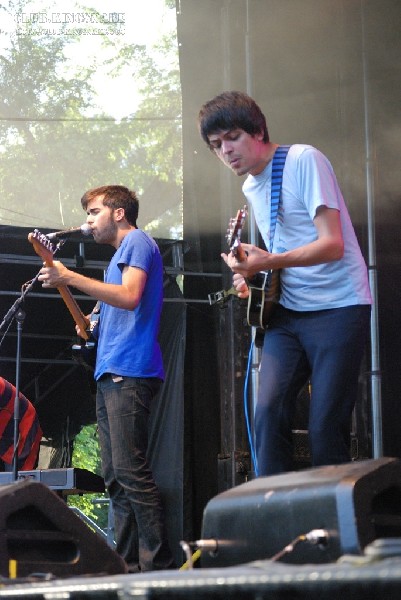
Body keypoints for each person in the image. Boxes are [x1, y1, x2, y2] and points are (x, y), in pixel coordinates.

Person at [198, 91, 372, 476]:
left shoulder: (303, 160)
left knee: (326, 427)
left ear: (258, 130)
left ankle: (334, 527)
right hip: (289, 312)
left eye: (232, 138)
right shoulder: (251, 187)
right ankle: (273, 517)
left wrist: (270, 260)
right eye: (216, 145)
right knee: (268, 415)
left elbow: (332, 244)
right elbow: (283, 249)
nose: (226, 151)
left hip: (339, 307)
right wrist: (251, 273)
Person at [38, 185, 174, 573]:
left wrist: (70, 276)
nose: (88, 222)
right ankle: (127, 565)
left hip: (130, 369)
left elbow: (130, 297)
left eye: (94, 212)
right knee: (114, 475)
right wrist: (88, 322)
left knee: (131, 471)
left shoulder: (137, 242)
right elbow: (96, 323)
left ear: (118, 213)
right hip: (111, 371)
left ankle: (157, 567)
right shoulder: (116, 261)